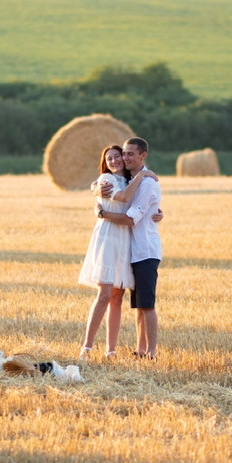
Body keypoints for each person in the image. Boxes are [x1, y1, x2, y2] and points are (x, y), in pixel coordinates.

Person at [76, 145, 157, 359]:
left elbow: (142, 202)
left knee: (117, 297)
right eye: (109, 158)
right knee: (104, 294)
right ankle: (86, 347)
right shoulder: (106, 180)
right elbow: (121, 197)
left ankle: (110, 351)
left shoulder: (130, 180)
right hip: (109, 236)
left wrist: (158, 212)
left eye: (117, 156)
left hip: (125, 239)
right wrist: (142, 175)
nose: (114, 161)